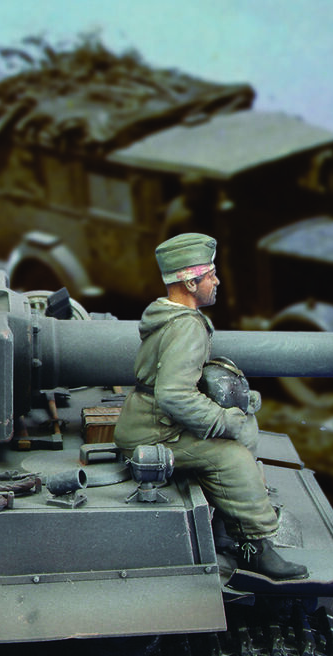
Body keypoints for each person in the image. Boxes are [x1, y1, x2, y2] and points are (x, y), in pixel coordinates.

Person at [113, 233, 307, 581]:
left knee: (241, 432)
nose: (216, 282)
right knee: (232, 457)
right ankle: (255, 547)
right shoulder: (187, 328)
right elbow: (174, 394)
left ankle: (224, 530)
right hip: (155, 432)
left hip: (150, 421)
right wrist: (223, 421)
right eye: (211, 276)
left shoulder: (168, 315)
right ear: (191, 282)